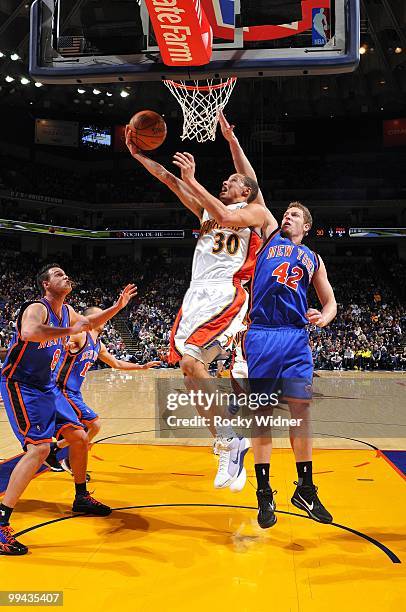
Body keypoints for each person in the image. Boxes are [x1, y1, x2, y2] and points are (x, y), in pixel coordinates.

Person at [174, 140, 338, 527]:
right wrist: (232, 141)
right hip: (263, 333)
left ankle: (306, 488)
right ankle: (265, 494)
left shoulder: (313, 257)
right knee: (263, 415)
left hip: (296, 335)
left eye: (295, 216)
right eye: (286, 213)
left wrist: (324, 317)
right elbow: (252, 184)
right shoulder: (265, 234)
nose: (288, 217)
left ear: (307, 226)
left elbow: (330, 302)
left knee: (301, 413)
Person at [126, 122, 266, 491]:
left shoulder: (255, 213)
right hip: (195, 295)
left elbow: (226, 215)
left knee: (194, 363)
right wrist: (140, 156)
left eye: (233, 180)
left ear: (247, 191)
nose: (227, 181)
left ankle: (233, 436)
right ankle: (226, 441)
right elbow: (170, 180)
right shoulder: (207, 211)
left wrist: (232, 143)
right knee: (189, 372)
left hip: (228, 293)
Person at [0, 264, 136, 555]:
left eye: (65, 274)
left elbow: (87, 323)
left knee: (79, 437)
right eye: (58, 274)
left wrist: (117, 306)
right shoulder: (37, 307)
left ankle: (81, 497)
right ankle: (1, 523)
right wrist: (68, 329)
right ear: (46, 284)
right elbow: (29, 332)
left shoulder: (69, 311)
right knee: (37, 450)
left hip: (47, 386)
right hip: (21, 385)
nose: (65, 277)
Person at [53, 306, 160, 476]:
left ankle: (62, 453)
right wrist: (64, 344)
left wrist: (141, 366)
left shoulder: (98, 345)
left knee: (85, 430)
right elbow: (57, 342)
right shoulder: (80, 335)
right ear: (90, 318)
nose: (105, 317)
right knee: (94, 425)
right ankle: (63, 455)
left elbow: (116, 364)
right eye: (99, 314)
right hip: (61, 390)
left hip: (74, 392)